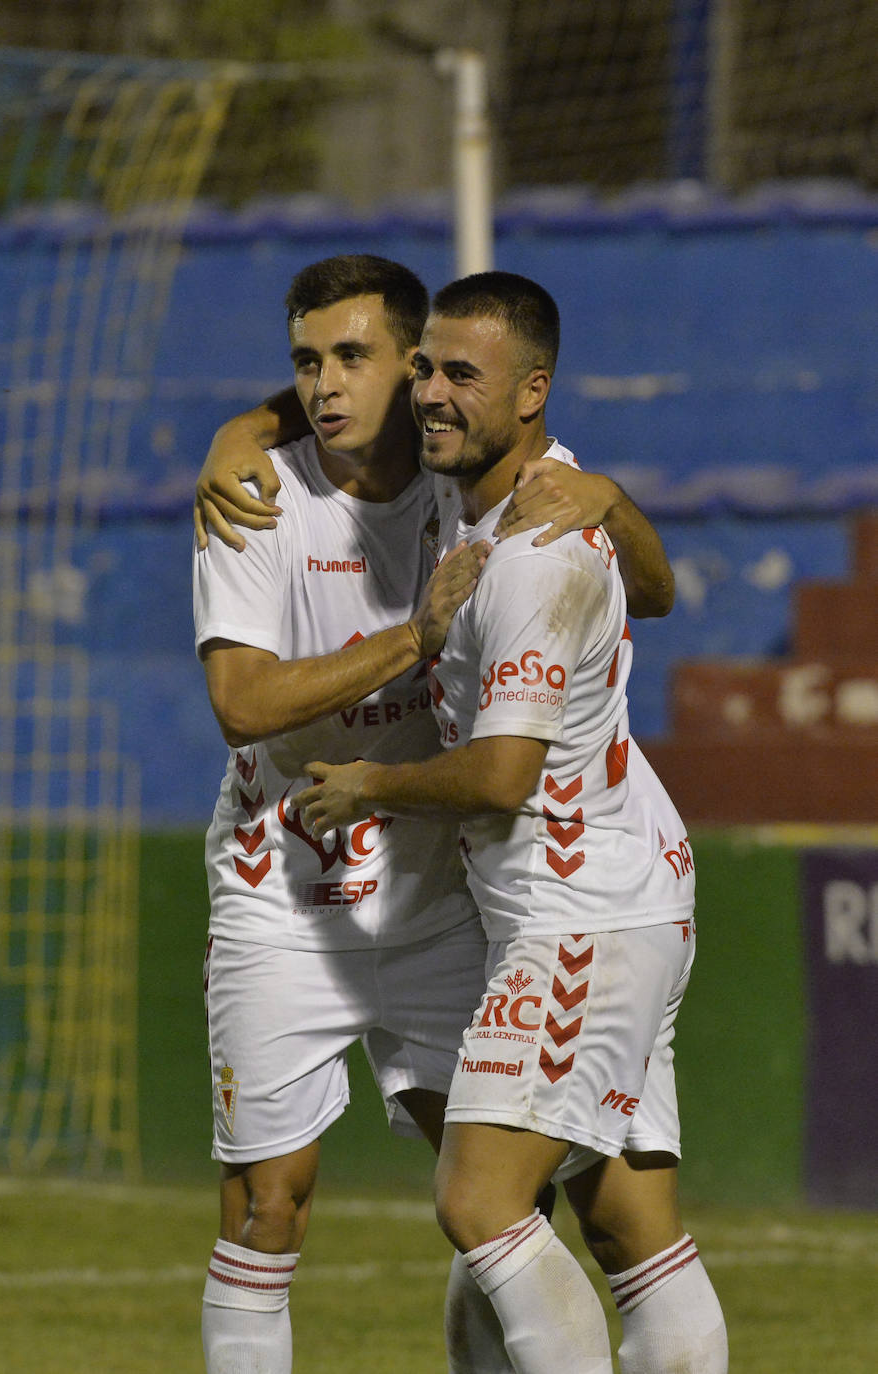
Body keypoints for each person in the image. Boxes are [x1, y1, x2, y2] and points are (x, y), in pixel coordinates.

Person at [193, 253, 677, 1374]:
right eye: (303, 364)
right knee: (270, 1203)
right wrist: (408, 640)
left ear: (413, 370)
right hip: (283, 895)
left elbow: (644, 580)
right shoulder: (252, 493)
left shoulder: (473, 482)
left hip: (439, 894)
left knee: (508, 1196)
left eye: (353, 358)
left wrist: (609, 497)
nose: (323, 386)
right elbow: (242, 704)